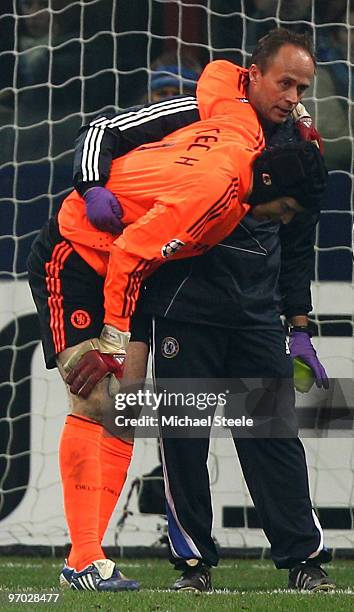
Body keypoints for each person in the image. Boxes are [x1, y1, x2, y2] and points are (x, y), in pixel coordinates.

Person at [69, 28, 335, 593]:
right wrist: (92, 185)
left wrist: (299, 324)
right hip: (185, 304)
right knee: (183, 439)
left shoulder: (304, 150)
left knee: (271, 435)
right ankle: (193, 565)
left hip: (256, 309)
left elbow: (298, 244)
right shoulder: (200, 107)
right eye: (284, 82)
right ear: (254, 74)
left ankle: (303, 560)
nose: (292, 96)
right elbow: (104, 130)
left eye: (302, 86)